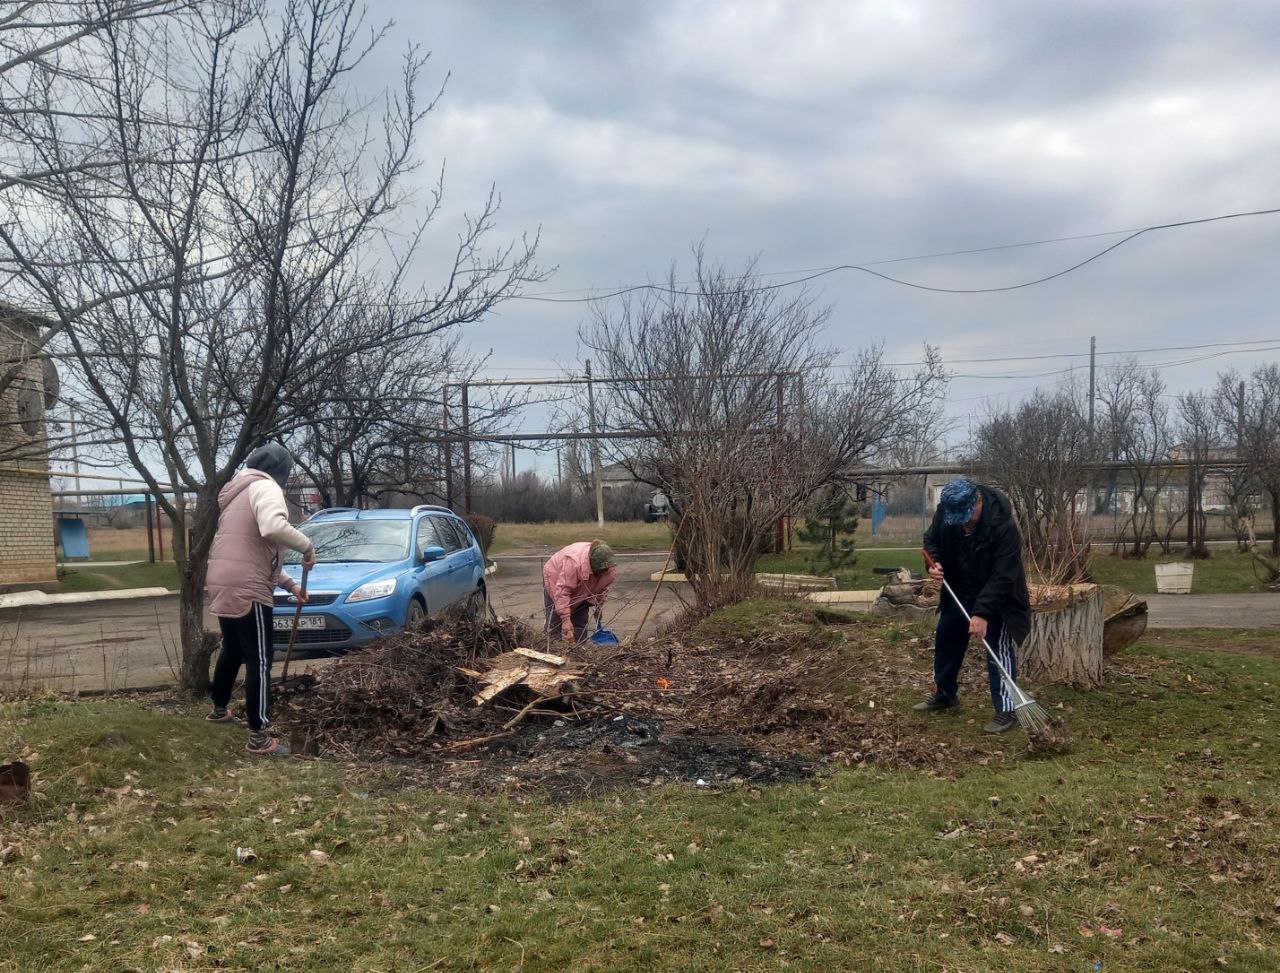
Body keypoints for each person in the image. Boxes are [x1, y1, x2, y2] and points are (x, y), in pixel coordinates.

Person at [204, 443, 316, 755]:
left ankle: (219, 709)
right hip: (247, 587)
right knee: (261, 658)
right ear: (281, 472)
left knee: (234, 649)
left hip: (223, 579)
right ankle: (259, 736)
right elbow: (273, 527)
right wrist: (307, 546)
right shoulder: (265, 487)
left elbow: (250, 553)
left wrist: (291, 585)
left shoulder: (237, 493)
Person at [915, 478, 1032, 733]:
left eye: (968, 517)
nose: (964, 523)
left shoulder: (1003, 525)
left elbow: (1003, 575)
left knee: (996, 648)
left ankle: (1006, 710)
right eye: (959, 519)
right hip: (958, 589)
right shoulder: (947, 512)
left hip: (997, 596)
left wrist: (982, 613)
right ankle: (944, 695)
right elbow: (930, 540)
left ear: (978, 502)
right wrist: (933, 564)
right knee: (947, 640)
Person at [543, 540, 618, 642]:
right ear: (592, 565)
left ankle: (578, 649)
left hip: (585, 585)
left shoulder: (610, 571)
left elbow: (603, 588)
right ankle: (551, 648)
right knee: (555, 619)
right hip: (556, 577)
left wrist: (598, 606)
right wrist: (566, 619)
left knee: (580, 619)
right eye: (600, 570)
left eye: (605, 570)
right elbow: (562, 592)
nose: (604, 572)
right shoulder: (573, 564)